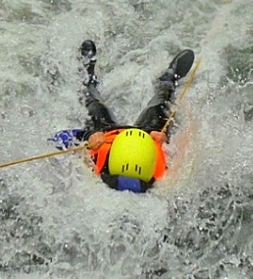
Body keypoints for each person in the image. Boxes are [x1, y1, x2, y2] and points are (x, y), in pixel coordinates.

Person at [51, 40, 195, 193]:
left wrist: (88, 136)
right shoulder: (165, 177)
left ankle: (167, 80)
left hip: (122, 137)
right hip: (141, 137)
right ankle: (167, 80)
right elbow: (190, 147)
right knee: (160, 105)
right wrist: (167, 143)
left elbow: (56, 140)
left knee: (95, 106)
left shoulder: (92, 165)